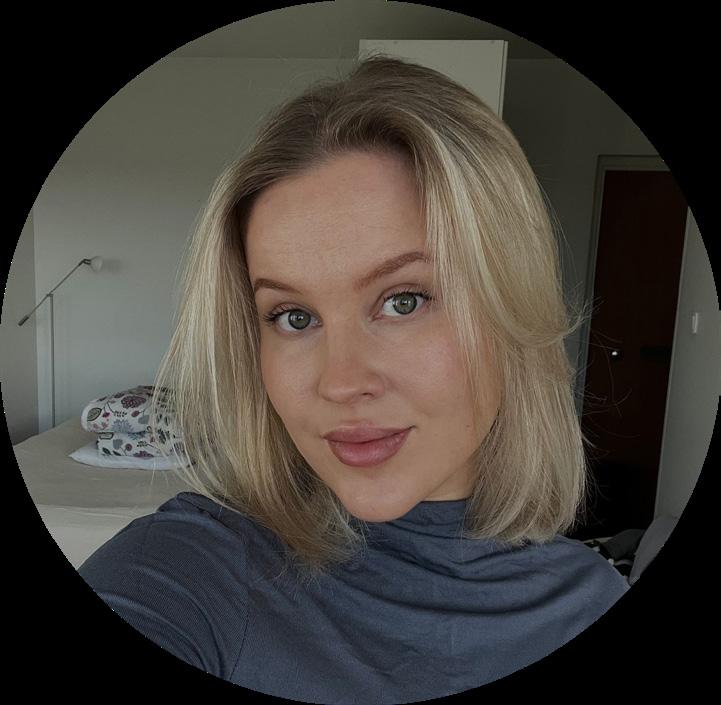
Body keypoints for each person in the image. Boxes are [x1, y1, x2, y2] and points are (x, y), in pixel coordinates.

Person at [77, 54, 629, 702]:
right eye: (293, 316)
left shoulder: (593, 600)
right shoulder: (185, 571)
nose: (340, 383)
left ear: (511, 309)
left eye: (403, 300)